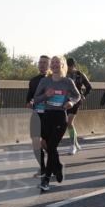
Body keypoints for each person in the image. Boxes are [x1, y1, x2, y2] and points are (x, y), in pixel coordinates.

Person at [32, 56, 81, 191]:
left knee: (52, 147)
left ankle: (46, 180)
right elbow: (35, 99)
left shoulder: (68, 82)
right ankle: (58, 166)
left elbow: (77, 96)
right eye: (52, 63)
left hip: (60, 117)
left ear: (62, 65)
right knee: (48, 146)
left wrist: (71, 102)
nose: (54, 65)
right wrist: (46, 95)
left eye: (57, 62)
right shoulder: (44, 81)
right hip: (47, 116)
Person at [26, 55, 51, 176]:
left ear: (49, 65)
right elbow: (28, 99)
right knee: (35, 142)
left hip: (50, 115)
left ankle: (53, 162)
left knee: (46, 144)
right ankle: (43, 168)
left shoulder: (54, 79)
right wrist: (29, 103)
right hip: (36, 115)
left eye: (45, 63)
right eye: (40, 62)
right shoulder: (33, 80)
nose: (42, 64)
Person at [65, 57, 92, 155]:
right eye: (67, 67)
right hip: (65, 101)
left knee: (69, 122)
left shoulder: (80, 75)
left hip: (76, 100)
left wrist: (84, 95)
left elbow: (89, 87)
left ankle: (72, 146)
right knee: (68, 123)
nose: (68, 69)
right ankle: (76, 143)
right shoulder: (64, 74)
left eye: (70, 67)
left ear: (74, 66)